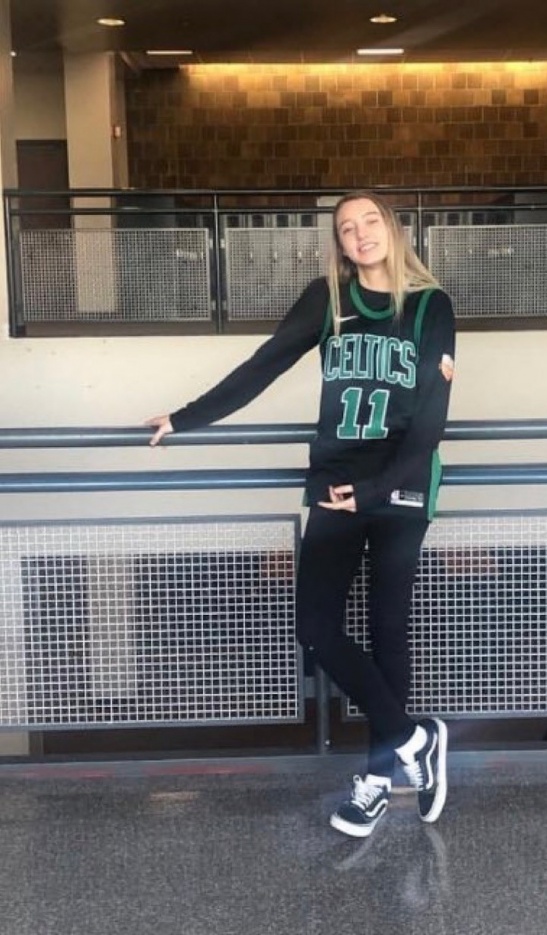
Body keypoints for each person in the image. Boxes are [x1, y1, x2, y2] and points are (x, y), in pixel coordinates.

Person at [146, 191, 456, 838]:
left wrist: (374, 491)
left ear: (392, 228)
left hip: (400, 488)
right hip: (335, 482)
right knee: (314, 626)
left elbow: (429, 424)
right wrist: (185, 418)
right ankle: (415, 740)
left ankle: (377, 781)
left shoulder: (432, 306)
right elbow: (263, 365)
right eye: (346, 228)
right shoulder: (328, 300)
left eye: (370, 221)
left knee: (388, 630)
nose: (360, 234)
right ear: (338, 243)